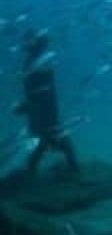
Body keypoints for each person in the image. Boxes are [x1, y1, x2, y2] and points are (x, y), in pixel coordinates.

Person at [13, 29, 79, 173]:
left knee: (48, 142)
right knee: (50, 143)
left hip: (44, 114)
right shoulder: (35, 61)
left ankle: (74, 171)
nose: (25, 44)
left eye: (30, 40)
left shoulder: (38, 62)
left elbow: (41, 90)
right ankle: (74, 171)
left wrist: (26, 106)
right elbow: (39, 90)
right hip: (43, 113)